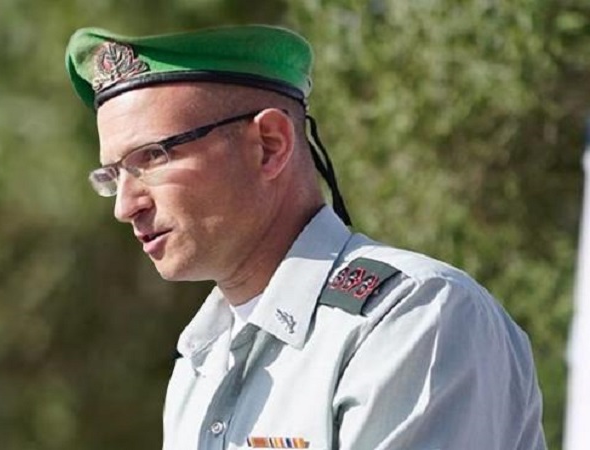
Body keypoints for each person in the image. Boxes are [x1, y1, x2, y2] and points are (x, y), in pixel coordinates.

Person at [65, 25, 547, 450]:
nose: (125, 206)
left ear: (269, 145)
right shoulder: (201, 355)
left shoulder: (412, 317)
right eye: (113, 175)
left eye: (152, 157)